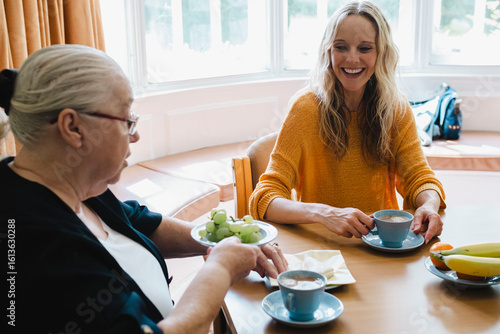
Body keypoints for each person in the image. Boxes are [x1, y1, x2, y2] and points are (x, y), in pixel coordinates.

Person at [0, 44, 287, 334]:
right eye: (126, 119)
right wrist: (220, 269)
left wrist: (226, 240)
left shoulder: (77, 188)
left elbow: (136, 224)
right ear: (73, 127)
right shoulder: (37, 243)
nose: (135, 135)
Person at [249, 1, 446, 244]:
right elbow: (265, 197)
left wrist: (429, 204)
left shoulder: (395, 108)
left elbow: (419, 176)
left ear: (381, 53)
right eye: (341, 47)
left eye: (364, 48)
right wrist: (325, 213)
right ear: (328, 51)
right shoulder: (305, 109)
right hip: (322, 250)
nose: (352, 59)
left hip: (383, 248)